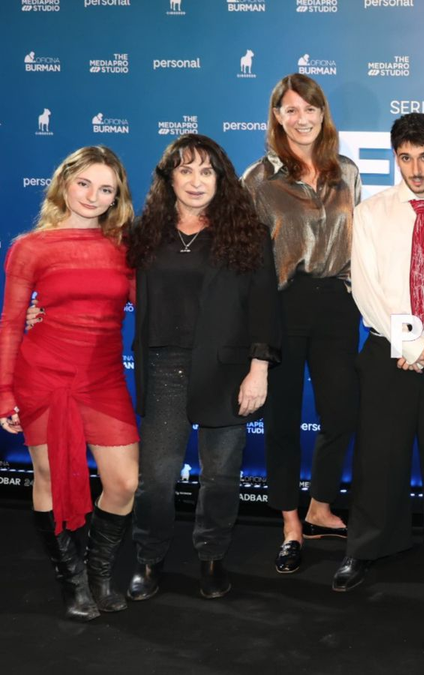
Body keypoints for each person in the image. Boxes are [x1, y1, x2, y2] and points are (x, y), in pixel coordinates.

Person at [125, 134, 281, 601]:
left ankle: (212, 558)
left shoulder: (247, 233)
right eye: (186, 170)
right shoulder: (145, 233)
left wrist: (259, 369)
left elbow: (265, 306)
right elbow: (106, 286)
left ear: (221, 179)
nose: (196, 181)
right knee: (156, 479)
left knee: (220, 477)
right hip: (164, 366)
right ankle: (149, 558)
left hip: (226, 369)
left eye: (207, 171)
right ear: (169, 178)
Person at [333, 113, 424, 592]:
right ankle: (367, 546)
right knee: (378, 454)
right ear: (395, 157)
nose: (416, 169)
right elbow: (365, 287)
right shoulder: (371, 212)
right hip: (387, 348)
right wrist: (407, 341)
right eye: (406, 158)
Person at [0, 146, 138, 621]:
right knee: (50, 479)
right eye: (84, 183)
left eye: (106, 189)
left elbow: (154, 304)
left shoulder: (125, 249)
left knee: (124, 482)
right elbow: (12, 323)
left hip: (103, 377)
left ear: (117, 197)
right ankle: (73, 580)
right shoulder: (29, 248)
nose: (92, 196)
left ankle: (99, 573)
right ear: (64, 182)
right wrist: (4, 392)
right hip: (43, 373)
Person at [242, 73, 361, 574]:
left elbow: (359, 245)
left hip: (337, 304)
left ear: (322, 113)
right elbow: (248, 262)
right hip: (282, 306)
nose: (301, 118)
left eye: (309, 108)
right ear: (277, 116)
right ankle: (291, 525)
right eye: (290, 109)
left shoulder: (347, 171)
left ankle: (320, 506)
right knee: (283, 421)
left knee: (343, 413)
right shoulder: (258, 180)